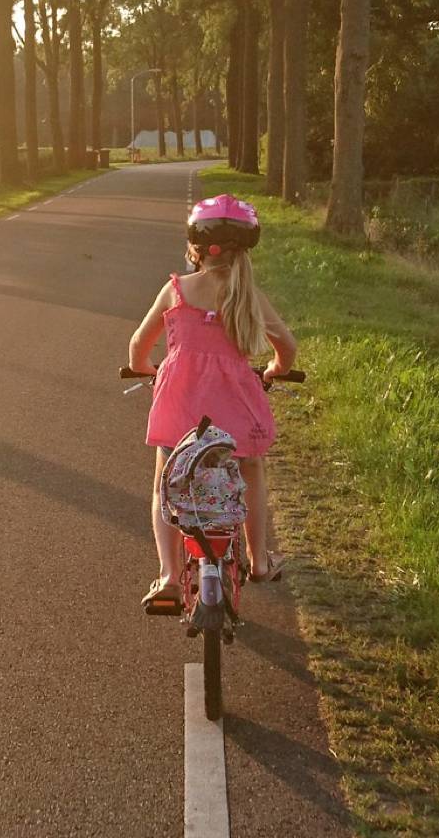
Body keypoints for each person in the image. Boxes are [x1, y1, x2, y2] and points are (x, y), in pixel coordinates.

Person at [128, 194, 297, 606]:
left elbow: (137, 347)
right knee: (251, 470)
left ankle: (169, 575)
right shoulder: (249, 298)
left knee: (164, 482)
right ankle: (258, 562)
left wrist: (147, 370)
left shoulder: (176, 291)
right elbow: (286, 348)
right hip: (235, 409)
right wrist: (275, 368)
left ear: (196, 249)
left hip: (179, 409)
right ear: (245, 252)